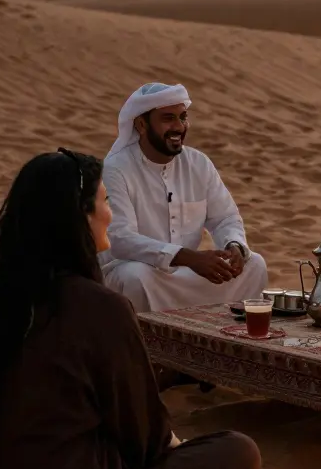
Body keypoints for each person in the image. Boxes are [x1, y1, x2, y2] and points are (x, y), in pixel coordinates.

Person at [0, 148, 270, 469]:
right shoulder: (101, 308)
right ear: (79, 216)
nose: (110, 215)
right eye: (104, 203)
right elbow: (145, 439)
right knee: (239, 453)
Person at [100, 83, 267, 312]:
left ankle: (227, 336)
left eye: (183, 117)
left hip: (185, 271)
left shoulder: (198, 163)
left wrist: (234, 245)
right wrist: (188, 258)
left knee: (254, 264)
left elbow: (225, 218)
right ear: (141, 124)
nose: (178, 126)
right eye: (168, 118)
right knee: (134, 277)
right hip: (137, 269)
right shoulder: (116, 168)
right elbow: (120, 239)